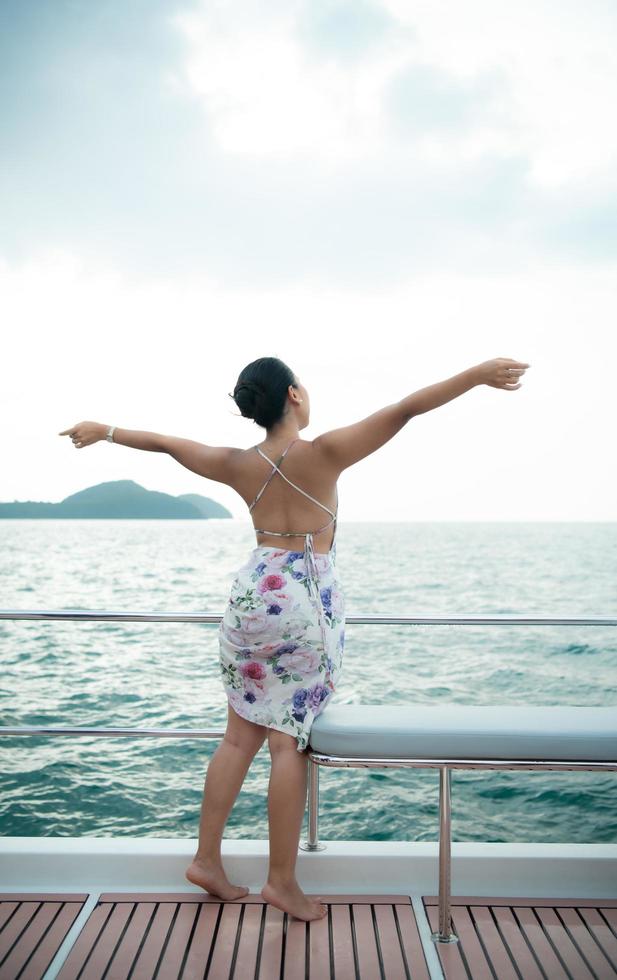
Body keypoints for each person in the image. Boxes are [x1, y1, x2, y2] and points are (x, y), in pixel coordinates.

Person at [59, 353, 530, 920]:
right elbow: (407, 408)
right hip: (302, 601)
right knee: (289, 744)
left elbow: (166, 443)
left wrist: (104, 431)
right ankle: (281, 881)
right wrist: (477, 374)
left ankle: (207, 859)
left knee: (237, 739)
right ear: (294, 396)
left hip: (251, 595)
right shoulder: (324, 454)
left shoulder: (236, 463)